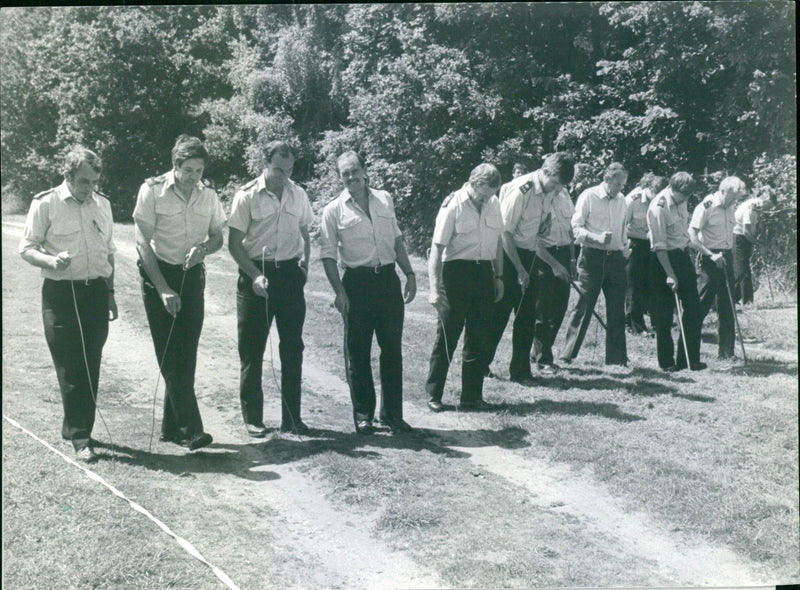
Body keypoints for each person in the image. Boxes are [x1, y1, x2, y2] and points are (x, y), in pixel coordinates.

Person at [19, 147, 118, 462]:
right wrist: (51, 260)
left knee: (91, 363)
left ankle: (77, 428)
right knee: (71, 365)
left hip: (96, 293)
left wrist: (111, 292)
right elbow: (26, 248)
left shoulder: (102, 205)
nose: (89, 188)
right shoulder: (46, 203)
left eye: (94, 182)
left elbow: (109, 251)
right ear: (68, 176)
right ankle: (81, 438)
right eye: (84, 181)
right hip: (60, 294)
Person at [133, 135, 226, 450]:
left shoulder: (208, 194)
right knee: (171, 353)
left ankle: (171, 428)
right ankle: (190, 430)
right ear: (175, 165)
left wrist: (203, 249)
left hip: (192, 276)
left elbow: (217, 237)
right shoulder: (152, 190)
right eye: (189, 170)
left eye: (199, 170)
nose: (194, 177)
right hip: (159, 274)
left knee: (187, 353)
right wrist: (162, 289)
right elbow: (142, 243)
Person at [320, 151, 416, 434]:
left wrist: (409, 273)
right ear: (340, 177)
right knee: (358, 352)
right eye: (344, 174)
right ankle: (363, 415)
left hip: (387, 281)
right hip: (356, 285)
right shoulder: (333, 210)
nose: (350, 178)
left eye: (354, 171)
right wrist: (339, 292)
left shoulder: (385, 198)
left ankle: (392, 414)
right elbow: (327, 255)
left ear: (364, 171)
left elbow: (396, 239)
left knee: (392, 350)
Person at [228, 141, 313, 438]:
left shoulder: (298, 193)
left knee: (293, 349)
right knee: (252, 350)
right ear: (265, 162)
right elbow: (234, 244)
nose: (284, 176)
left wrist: (304, 266)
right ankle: (254, 419)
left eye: (289, 170)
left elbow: (305, 231)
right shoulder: (247, 195)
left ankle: (293, 418)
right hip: (256, 274)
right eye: (279, 169)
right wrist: (253, 275)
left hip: (290, 274)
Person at [484, 152, 576, 383]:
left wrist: (543, 229)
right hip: (507, 255)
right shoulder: (521, 190)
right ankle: (480, 364)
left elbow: (534, 232)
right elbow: (504, 233)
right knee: (498, 316)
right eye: (554, 183)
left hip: (530, 255)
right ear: (544, 172)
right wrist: (519, 269)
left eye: (560, 186)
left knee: (527, 317)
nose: (556, 189)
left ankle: (520, 371)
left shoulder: (550, 191)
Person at [426, 163, 504, 411]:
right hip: (456, 274)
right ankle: (434, 394)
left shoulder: (493, 203)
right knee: (448, 335)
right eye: (484, 194)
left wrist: (499, 276)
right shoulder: (453, 204)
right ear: (473, 183)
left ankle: (471, 397)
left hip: (483, 273)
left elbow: (498, 242)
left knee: (479, 337)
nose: (487, 199)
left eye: (491, 194)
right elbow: (437, 248)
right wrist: (434, 288)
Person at [559, 162, 630, 366]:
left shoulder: (621, 199)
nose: (620, 189)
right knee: (584, 305)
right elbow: (575, 229)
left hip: (616, 258)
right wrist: (596, 238)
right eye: (617, 184)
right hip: (592, 257)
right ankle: (567, 354)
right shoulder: (588, 196)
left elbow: (622, 227)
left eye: (623, 185)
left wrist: (624, 249)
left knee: (617, 308)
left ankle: (616, 359)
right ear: (607, 179)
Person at [646, 172, 706, 372]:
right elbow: (659, 246)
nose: (686, 199)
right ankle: (667, 362)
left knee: (694, 309)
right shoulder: (658, 207)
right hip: (662, 262)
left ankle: (689, 359)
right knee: (664, 315)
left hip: (681, 256)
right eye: (684, 195)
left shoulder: (682, 200)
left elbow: (683, 234)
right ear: (673, 189)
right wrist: (670, 274)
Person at [688, 176, 746, 359]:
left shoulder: (731, 208)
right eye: (732, 197)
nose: (734, 201)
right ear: (723, 191)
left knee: (727, 306)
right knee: (701, 305)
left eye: (736, 198)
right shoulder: (706, 206)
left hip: (727, 257)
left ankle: (727, 352)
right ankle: (689, 351)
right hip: (710, 258)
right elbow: (692, 235)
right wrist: (710, 255)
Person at [529, 172, 576, 374]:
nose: (558, 186)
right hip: (544, 257)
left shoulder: (565, 194)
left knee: (559, 308)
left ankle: (537, 351)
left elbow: (570, 230)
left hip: (565, 254)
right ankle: (543, 359)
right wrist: (555, 265)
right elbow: (533, 239)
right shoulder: (537, 197)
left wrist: (572, 259)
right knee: (543, 310)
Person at [624, 173, 667, 335]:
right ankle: (634, 325)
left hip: (653, 245)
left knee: (651, 284)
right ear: (647, 189)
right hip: (634, 243)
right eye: (655, 194)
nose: (657, 198)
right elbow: (622, 226)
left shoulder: (661, 201)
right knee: (634, 285)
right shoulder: (632, 200)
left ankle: (652, 321)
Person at [733, 190, 774, 304]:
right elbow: (746, 232)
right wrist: (758, 244)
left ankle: (733, 298)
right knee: (743, 270)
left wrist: (760, 222)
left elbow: (757, 224)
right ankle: (747, 301)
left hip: (745, 239)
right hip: (739, 238)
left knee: (742, 269)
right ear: (765, 200)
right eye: (769, 206)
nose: (769, 210)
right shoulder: (749, 208)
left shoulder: (757, 207)